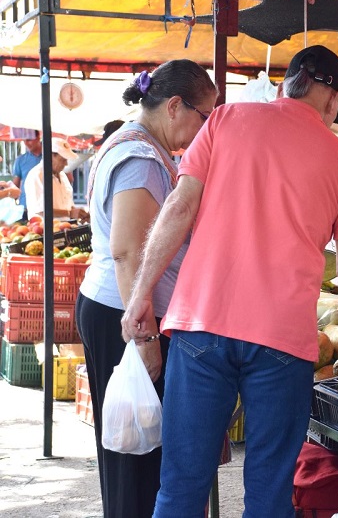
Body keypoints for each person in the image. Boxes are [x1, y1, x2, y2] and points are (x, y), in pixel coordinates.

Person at [120, 44, 338, 517]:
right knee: (268, 492)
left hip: (201, 325)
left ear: (286, 85)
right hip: (282, 343)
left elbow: (178, 210)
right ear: (332, 99)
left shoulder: (224, 120)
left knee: (181, 484)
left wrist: (141, 294)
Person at [75, 60, 217, 518]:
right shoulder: (139, 157)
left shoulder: (140, 147)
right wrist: (146, 336)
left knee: (136, 448)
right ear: (175, 106)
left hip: (118, 310)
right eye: (204, 115)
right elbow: (128, 253)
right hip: (126, 315)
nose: (204, 128)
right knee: (136, 456)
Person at [24, 138, 88, 220]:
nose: (66, 163)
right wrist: (70, 213)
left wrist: (80, 214)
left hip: (65, 228)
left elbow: (68, 204)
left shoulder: (62, 175)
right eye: (63, 160)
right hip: (43, 231)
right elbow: (41, 210)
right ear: (50, 156)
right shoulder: (36, 175)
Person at [12, 130, 43, 219]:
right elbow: (15, 186)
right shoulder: (20, 160)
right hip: (25, 207)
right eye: (24, 140)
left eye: (29, 139)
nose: (26, 143)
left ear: (38, 137)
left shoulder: (51, 157)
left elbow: (69, 179)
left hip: (47, 207)